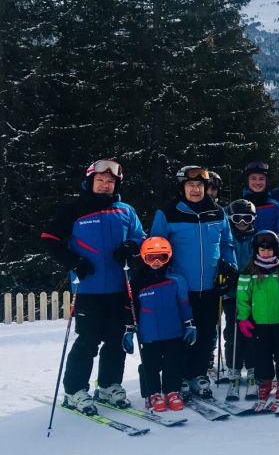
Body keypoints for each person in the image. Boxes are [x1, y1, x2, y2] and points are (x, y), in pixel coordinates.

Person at [41, 159, 146, 415]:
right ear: (90, 182)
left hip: (119, 287)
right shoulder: (74, 209)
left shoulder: (125, 210)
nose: (105, 185)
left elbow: (140, 238)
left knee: (115, 340)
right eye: (100, 181)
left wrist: (130, 247)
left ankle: (109, 386)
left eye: (110, 182)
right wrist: (73, 260)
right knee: (88, 340)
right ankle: (75, 390)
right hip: (88, 288)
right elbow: (49, 239)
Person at [150, 165, 237, 399]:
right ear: (182, 187)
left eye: (200, 185)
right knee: (181, 333)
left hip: (210, 286)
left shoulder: (218, 213)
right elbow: (156, 247)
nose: (196, 190)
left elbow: (227, 244)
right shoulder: (168, 213)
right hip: (180, 288)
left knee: (207, 332)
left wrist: (231, 269)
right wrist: (159, 277)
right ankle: (179, 375)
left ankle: (198, 373)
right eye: (191, 185)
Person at [128, 237, 194, 412]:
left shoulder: (176, 280)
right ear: (143, 258)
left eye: (162, 257)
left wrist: (189, 324)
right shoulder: (137, 282)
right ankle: (153, 393)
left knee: (174, 362)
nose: (156, 262)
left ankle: (172, 391)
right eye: (151, 258)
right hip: (149, 334)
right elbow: (131, 308)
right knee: (151, 364)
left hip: (173, 331)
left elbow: (184, 303)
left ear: (169, 257)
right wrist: (128, 329)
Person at [236, 230, 279, 406]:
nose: (266, 252)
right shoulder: (249, 270)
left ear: (276, 250)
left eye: (270, 250)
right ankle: (265, 380)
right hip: (259, 320)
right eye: (262, 250)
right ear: (256, 250)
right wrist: (244, 318)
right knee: (262, 352)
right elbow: (243, 296)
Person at [223, 199, 258, 389]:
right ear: (230, 218)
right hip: (231, 293)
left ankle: (252, 365)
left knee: (251, 331)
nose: (242, 222)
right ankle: (234, 366)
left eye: (247, 218)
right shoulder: (227, 238)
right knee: (232, 331)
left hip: (253, 294)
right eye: (237, 218)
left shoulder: (257, 239)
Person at [241, 160, 279, 245]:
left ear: (266, 181)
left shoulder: (275, 206)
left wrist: (272, 243)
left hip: (268, 253)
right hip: (245, 253)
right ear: (247, 181)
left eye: (261, 179)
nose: (257, 182)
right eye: (253, 178)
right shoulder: (239, 205)